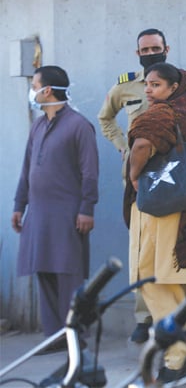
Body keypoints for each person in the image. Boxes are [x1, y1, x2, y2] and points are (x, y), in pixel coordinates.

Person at [123, 62, 186, 385]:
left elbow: (142, 145)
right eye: (147, 85)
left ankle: (176, 355)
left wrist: (134, 174)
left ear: (172, 87)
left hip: (165, 212)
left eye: (155, 85)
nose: (149, 91)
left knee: (150, 278)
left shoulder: (160, 114)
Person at [97, 28, 186, 344]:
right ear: (137, 54)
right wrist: (123, 149)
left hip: (173, 176)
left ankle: (173, 313)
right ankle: (144, 317)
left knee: (169, 247)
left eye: (156, 48)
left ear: (167, 48)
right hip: (139, 178)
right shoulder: (125, 84)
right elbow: (106, 119)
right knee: (141, 250)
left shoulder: (181, 80)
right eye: (145, 50)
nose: (150, 53)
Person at [12, 65, 99, 353]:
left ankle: (75, 336)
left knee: (68, 273)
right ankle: (54, 336)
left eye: (35, 85)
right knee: (44, 271)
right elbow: (27, 169)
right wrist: (18, 205)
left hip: (68, 213)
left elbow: (90, 172)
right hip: (38, 213)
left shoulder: (79, 126)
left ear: (46, 89)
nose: (33, 91)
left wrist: (86, 208)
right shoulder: (37, 125)